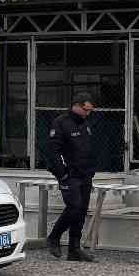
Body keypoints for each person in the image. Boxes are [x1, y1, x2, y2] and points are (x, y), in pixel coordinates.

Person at [44, 91, 98, 262]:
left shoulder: (86, 124)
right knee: (74, 207)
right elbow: (53, 151)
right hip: (70, 174)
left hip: (85, 174)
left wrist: (91, 169)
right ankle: (54, 237)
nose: (88, 113)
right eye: (85, 109)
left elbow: (88, 149)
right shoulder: (61, 123)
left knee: (81, 211)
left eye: (90, 110)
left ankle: (74, 249)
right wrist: (62, 173)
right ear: (76, 106)